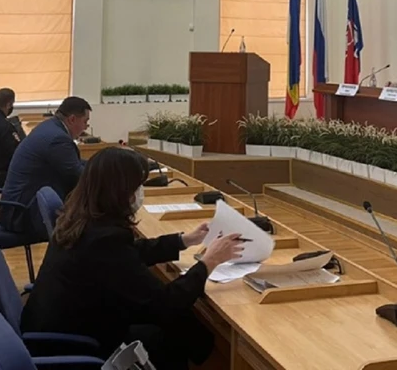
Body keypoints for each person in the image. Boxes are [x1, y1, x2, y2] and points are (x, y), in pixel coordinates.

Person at [21, 148, 243, 369]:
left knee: (182, 324)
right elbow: (164, 304)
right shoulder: (104, 239)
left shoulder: (81, 219)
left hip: (58, 327)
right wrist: (208, 262)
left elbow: (128, 253)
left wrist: (183, 240)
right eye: (137, 187)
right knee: (173, 325)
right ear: (120, 191)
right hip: (74, 345)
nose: (139, 193)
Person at [0, 96, 91, 234]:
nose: (85, 128)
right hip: (22, 213)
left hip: (15, 206)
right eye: (85, 122)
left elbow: (74, 164)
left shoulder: (50, 126)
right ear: (72, 119)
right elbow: (79, 176)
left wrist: (100, 165)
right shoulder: (58, 139)